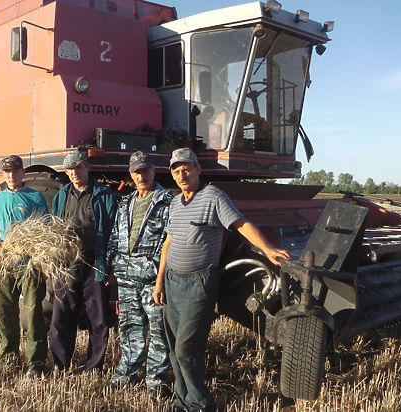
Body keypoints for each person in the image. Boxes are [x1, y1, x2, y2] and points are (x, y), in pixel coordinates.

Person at [153, 148, 290, 412]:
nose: (182, 175)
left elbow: (240, 224)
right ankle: (181, 401)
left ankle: (201, 403)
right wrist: (159, 281)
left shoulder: (214, 197)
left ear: (198, 169)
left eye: (186, 169)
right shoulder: (174, 202)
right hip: (172, 281)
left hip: (199, 283)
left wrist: (268, 249)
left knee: (186, 347)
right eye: (176, 170)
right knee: (173, 348)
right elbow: (168, 244)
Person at [107, 151, 173, 391]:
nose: (140, 175)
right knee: (129, 328)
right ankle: (127, 375)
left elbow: (170, 240)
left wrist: (161, 277)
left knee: (158, 329)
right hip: (125, 277)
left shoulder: (167, 201)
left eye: (145, 170)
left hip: (151, 278)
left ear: (153, 171)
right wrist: (112, 263)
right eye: (136, 172)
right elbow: (115, 235)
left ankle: (155, 380)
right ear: (131, 175)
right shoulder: (125, 202)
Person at [0, 154, 49, 377]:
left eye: (15, 171)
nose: (11, 175)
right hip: (4, 266)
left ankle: (35, 364)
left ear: (23, 173)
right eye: (7, 172)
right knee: (5, 314)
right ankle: (7, 359)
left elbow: (45, 230)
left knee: (33, 315)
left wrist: (43, 260)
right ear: (3, 174)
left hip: (29, 266)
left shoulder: (36, 197)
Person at [49, 151, 117, 372]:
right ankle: (60, 365)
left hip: (93, 262)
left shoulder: (104, 195)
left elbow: (114, 233)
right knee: (61, 318)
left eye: (77, 168)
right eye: (69, 170)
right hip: (67, 262)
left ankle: (94, 367)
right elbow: (54, 231)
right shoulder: (61, 195)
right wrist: (53, 263)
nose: (73, 173)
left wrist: (109, 267)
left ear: (87, 167)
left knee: (98, 320)